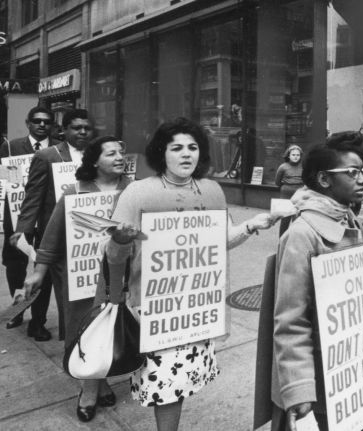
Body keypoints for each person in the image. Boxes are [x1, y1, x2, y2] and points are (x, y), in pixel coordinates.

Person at [104, 118, 278, 431]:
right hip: (155, 310)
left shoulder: (211, 190)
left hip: (197, 307)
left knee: (180, 382)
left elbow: (222, 239)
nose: (187, 155)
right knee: (166, 386)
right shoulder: (138, 193)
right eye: (177, 148)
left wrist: (252, 225)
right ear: (162, 153)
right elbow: (113, 255)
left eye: (193, 147)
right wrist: (120, 239)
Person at [271, 131, 363, 430]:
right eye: (353, 173)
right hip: (324, 373)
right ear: (324, 180)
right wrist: (299, 388)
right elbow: (291, 320)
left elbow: (348, 287)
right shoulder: (301, 234)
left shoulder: (349, 218)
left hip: (357, 366)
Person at [23, 136, 131, 422]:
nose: (120, 157)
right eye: (111, 153)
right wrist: (39, 272)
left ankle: (99, 380)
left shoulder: (134, 191)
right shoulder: (73, 193)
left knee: (111, 331)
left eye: (121, 152)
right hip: (82, 279)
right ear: (94, 160)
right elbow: (52, 237)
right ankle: (89, 390)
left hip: (123, 277)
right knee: (87, 331)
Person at [10, 108, 90, 341]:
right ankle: (38, 323)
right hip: (52, 231)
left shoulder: (96, 154)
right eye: (76, 127)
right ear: (64, 130)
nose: (83, 132)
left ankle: (77, 334)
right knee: (43, 280)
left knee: (78, 286)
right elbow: (33, 196)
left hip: (84, 232)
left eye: (87, 128)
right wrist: (22, 230)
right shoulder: (48, 156)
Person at [1, 106, 58, 330]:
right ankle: (17, 312)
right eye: (37, 121)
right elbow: (4, 179)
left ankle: (38, 321)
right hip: (17, 217)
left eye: (46, 122)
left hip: (46, 219)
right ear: (28, 123)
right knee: (16, 266)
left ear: (52, 125)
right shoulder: (11, 147)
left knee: (43, 269)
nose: (42, 125)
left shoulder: (58, 149)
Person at [274, 144, 304, 235]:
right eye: (293, 155)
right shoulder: (283, 167)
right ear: (288, 155)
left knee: (298, 220)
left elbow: (307, 180)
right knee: (285, 220)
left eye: (298, 155)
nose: (296, 157)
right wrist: (287, 187)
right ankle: (282, 240)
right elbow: (277, 182)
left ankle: (295, 242)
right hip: (286, 195)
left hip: (300, 195)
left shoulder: (304, 166)